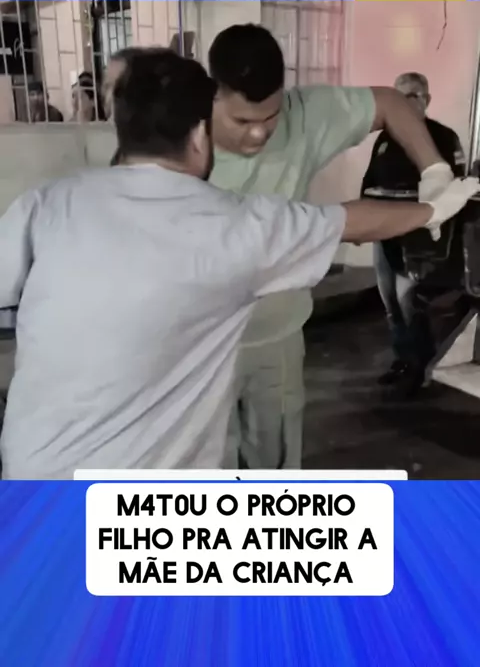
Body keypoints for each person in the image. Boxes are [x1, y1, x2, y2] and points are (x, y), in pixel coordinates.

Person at [0, 48, 475, 479]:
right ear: (200, 132)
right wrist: (433, 208)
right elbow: (350, 221)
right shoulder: (238, 227)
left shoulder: (43, 205)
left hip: (32, 482)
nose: (258, 133)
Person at [207, 24, 459, 470]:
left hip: (277, 337)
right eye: (242, 121)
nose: (258, 135)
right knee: (205, 473)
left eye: (270, 118)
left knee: (275, 467)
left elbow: (389, 101)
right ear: (213, 96)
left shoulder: (304, 115)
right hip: (201, 344)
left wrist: (435, 170)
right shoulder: (180, 133)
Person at [361, 72, 466, 396]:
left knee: (410, 304)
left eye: (411, 96)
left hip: (418, 238)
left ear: (426, 99)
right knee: (390, 303)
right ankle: (402, 360)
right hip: (385, 235)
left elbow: (455, 187)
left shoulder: (443, 137)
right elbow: (368, 182)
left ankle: (422, 368)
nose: (403, 104)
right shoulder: (385, 139)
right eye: (398, 97)